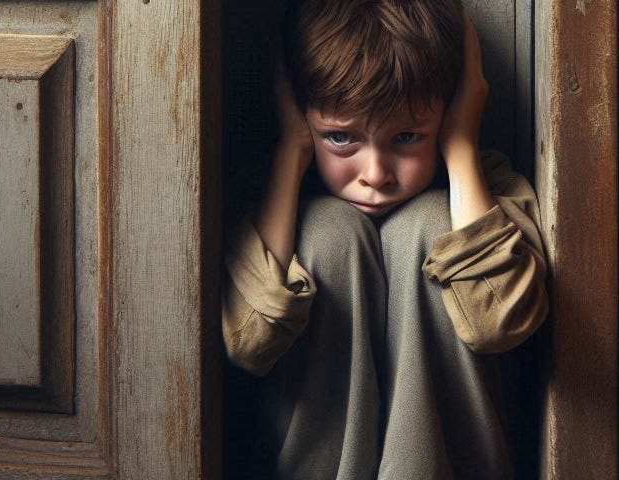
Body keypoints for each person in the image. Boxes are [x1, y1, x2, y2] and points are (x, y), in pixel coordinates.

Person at [222, 1, 548, 477]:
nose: (375, 174)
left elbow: (498, 324)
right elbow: (250, 342)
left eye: (408, 137)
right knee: (329, 233)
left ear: (451, 109)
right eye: (340, 138)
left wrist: (459, 147)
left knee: (432, 225)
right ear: (298, 112)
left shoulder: (489, 188)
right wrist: (293, 152)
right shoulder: (271, 202)